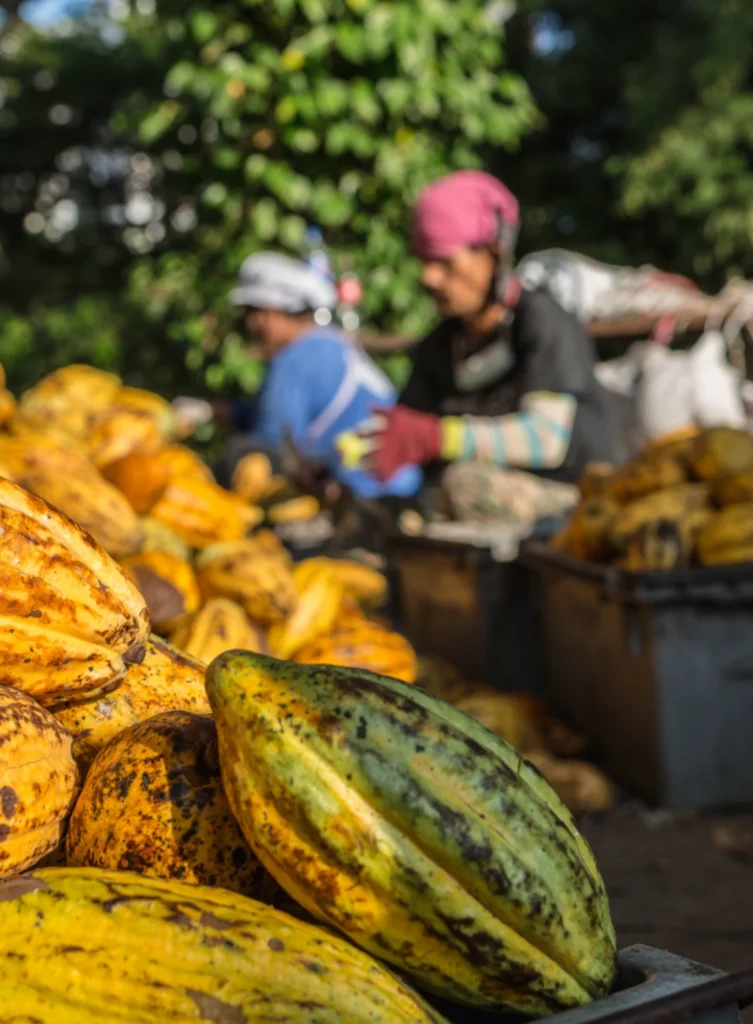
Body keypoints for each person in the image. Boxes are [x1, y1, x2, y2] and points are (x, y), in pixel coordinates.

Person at [361, 171, 628, 524]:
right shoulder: (440, 346)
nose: (430, 278)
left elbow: (546, 439)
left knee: (462, 484)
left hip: (578, 501)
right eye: (425, 262)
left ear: (494, 252)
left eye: (445, 262)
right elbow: (409, 427)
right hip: (480, 511)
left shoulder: (544, 321)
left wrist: (440, 437)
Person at [175, 252, 421, 501]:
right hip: (402, 488)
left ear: (278, 310)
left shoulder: (297, 359)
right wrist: (210, 410)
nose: (251, 324)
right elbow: (270, 415)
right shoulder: (327, 342)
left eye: (255, 312)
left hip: (369, 496)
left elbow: (269, 442)